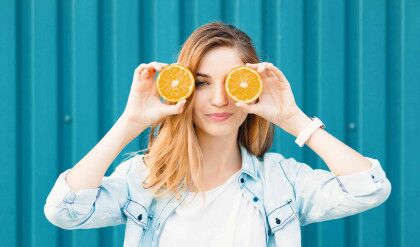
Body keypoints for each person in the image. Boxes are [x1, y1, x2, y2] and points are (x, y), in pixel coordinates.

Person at [44, 22, 391, 247]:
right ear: (184, 89)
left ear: (251, 89)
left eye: (233, 82)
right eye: (202, 83)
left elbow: (369, 187)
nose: (220, 99)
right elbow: (65, 210)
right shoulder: (145, 179)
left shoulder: (280, 181)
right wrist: (130, 122)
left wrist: (294, 119)